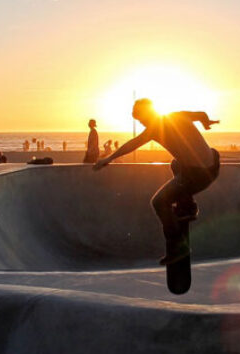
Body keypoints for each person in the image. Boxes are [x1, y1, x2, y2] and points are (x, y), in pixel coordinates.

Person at [93, 98, 220, 265]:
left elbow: (132, 145)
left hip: (197, 176)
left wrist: (108, 159)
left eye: (142, 120)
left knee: (159, 202)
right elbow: (201, 114)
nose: (143, 124)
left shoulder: (153, 129)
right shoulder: (177, 116)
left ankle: (178, 248)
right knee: (175, 163)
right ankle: (188, 203)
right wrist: (206, 122)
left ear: (148, 115)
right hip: (214, 165)